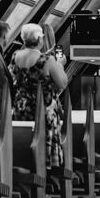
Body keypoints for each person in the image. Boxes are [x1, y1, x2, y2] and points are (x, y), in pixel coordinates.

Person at [9, 23, 66, 168]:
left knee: (22, 142)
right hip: (41, 110)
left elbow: (12, 77)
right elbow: (62, 83)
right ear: (40, 40)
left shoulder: (16, 56)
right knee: (40, 146)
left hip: (21, 108)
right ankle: (42, 171)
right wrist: (60, 65)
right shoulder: (47, 60)